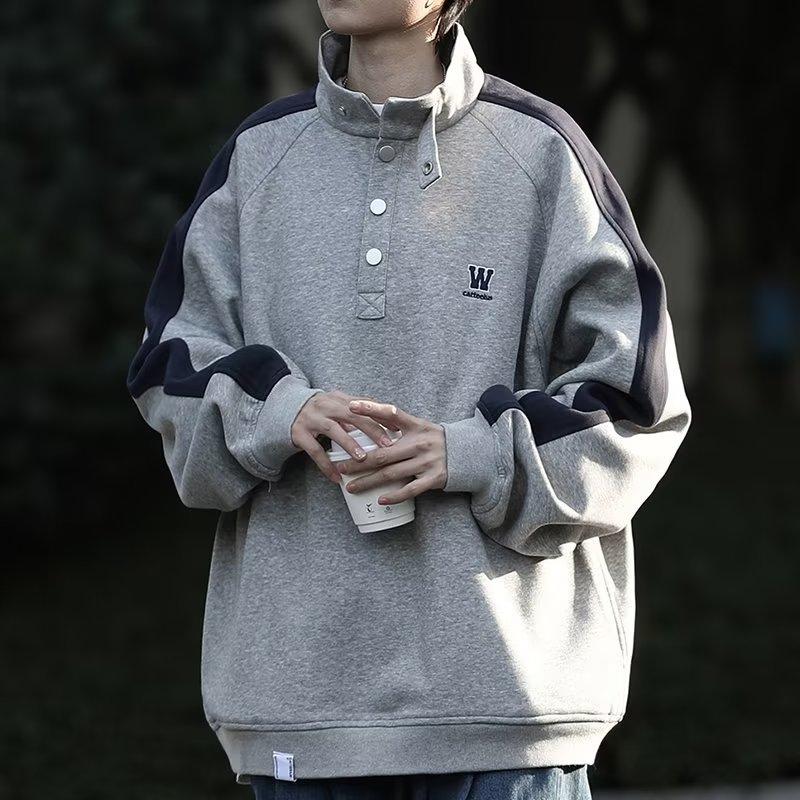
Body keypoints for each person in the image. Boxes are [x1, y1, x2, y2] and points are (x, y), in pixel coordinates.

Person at [125, 0, 692, 797]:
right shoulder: (258, 157)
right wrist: (279, 412)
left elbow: (636, 405)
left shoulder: (543, 152)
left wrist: (476, 453)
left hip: (508, 711)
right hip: (299, 711)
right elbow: (168, 368)